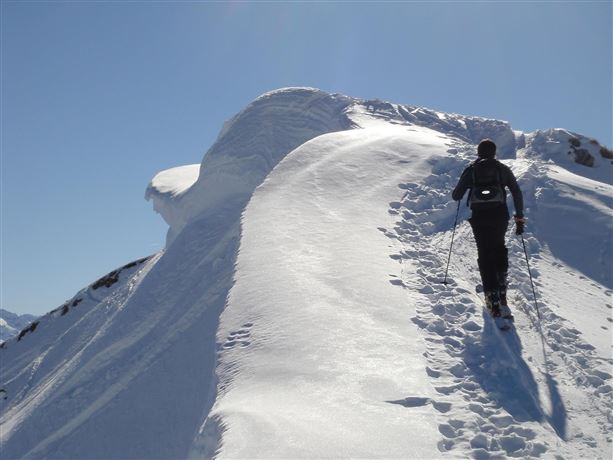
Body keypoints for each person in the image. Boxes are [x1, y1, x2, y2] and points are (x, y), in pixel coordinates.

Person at [452, 139, 526, 318]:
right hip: (500, 214)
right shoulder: (502, 169)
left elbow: (456, 196)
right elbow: (516, 191)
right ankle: (501, 290)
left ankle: (491, 298)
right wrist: (519, 217)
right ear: (494, 153)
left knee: (484, 253)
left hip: (480, 216)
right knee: (499, 248)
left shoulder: (471, 170)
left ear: (478, 152)